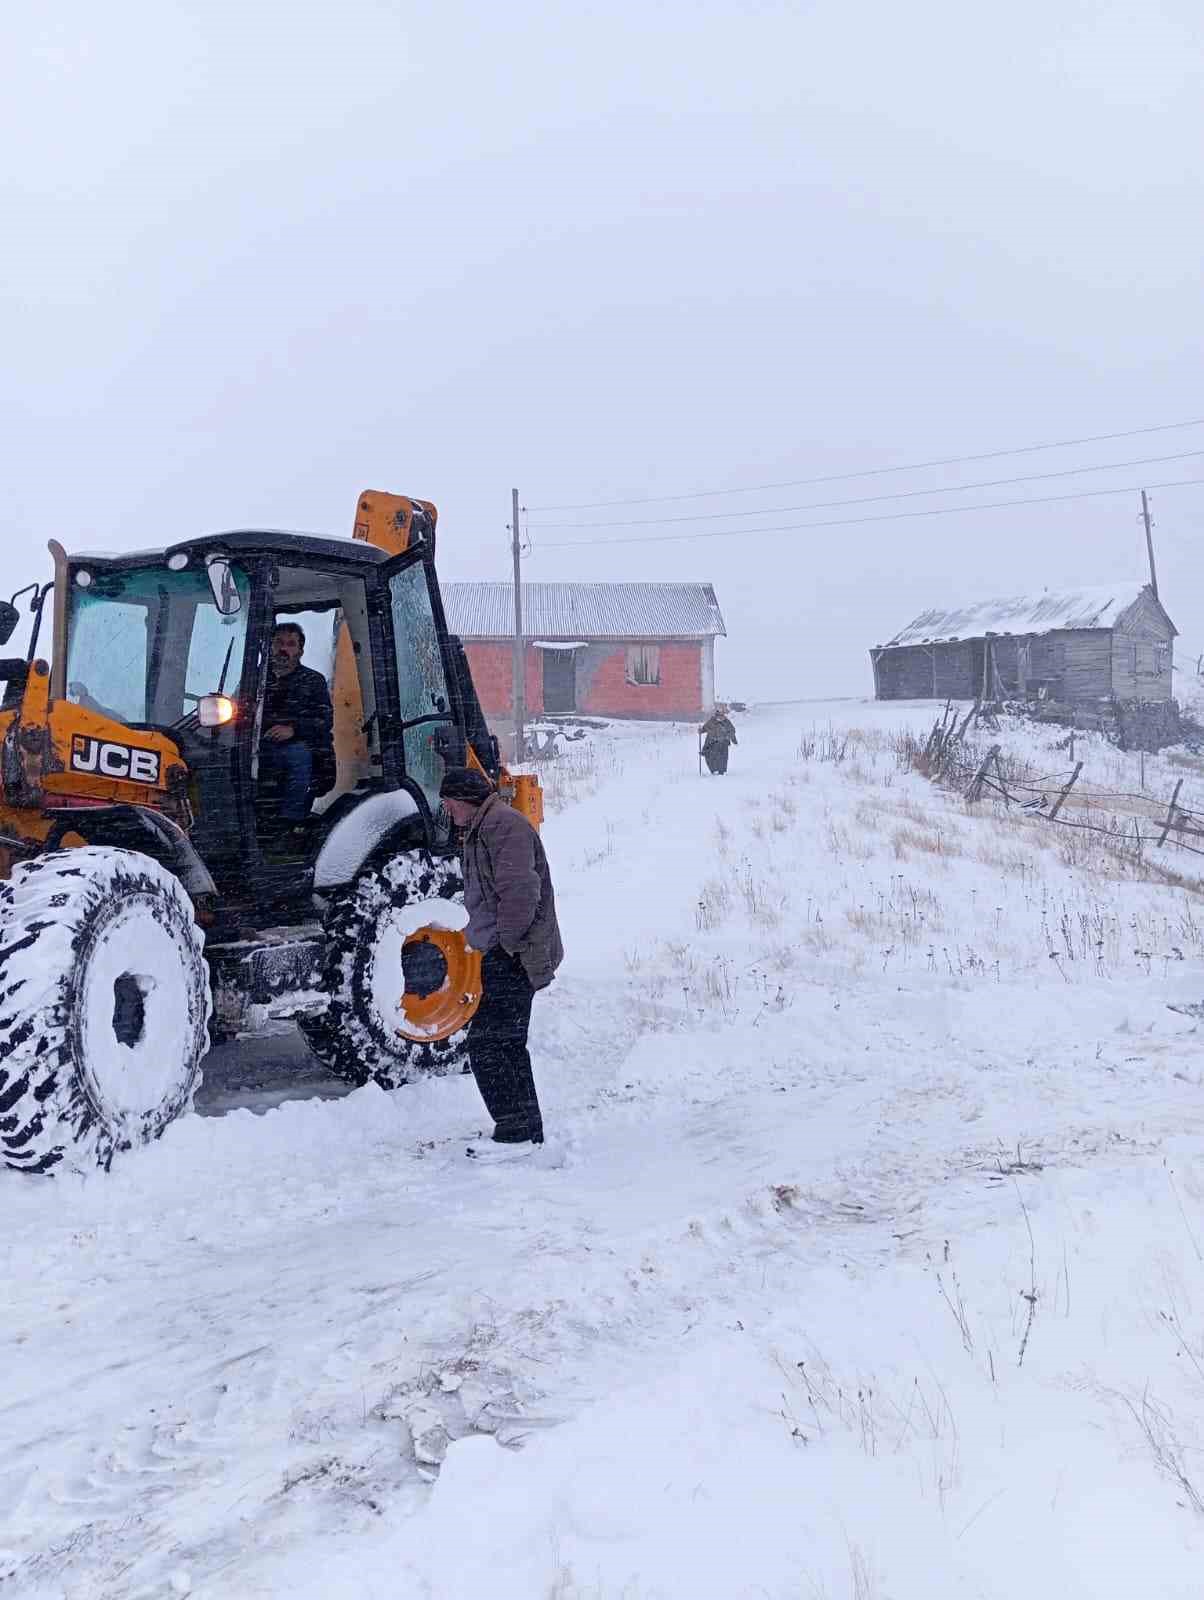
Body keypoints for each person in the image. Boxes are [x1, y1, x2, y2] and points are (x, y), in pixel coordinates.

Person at [439, 766, 563, 1150]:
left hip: (515, 953)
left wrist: (508, 945)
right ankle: (523, 1129)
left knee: (489, 1046)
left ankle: (516, 1131)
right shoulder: (486, 826)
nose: (447, 811)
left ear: (464, 800)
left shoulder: (502, 827)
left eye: (449, 804)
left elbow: (521, 893)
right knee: (505, 1044)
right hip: (507, 950)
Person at [259, 623, 335, 827]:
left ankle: (289, 824)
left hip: (302, 746)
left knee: (296, 755)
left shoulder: (312, 681)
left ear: (300, 651)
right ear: (270, 646)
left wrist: (293, 730)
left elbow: (324, 720)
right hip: (258, 745)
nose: (284, 649)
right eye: (279, 643)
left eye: (291, 644)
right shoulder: (255, 679)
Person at [699, 704, 738, 775]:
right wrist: (701, 730)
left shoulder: (727, 722)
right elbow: (705, 728)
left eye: (721, 715)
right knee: (710, 756)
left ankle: (721, 771)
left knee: (722, 758)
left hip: (723, 743)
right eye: (719, 715)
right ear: (716, 714)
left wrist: (734, 740)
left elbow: (732, 731)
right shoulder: (711, 721)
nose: (720, 717)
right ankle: (713, 770)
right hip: (712, 743)